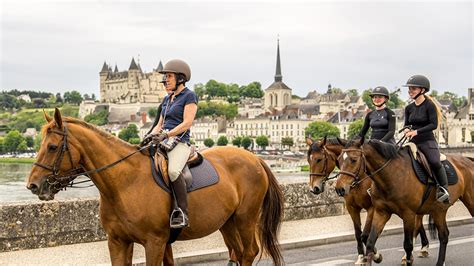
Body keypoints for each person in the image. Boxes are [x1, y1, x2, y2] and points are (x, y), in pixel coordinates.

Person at [142, 59, 198, 227]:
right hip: (163, 140)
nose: (165, 80)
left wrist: (167, 134)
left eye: (169, 76)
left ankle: (182, 213)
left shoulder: (189, 96)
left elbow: (187, 123)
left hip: (180, 142)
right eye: (165, 77)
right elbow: (159, 124)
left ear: (181, 78)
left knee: (173, 171)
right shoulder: (167, 100)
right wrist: (149, 137)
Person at [403, 74, 449, 203]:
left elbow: (433, 125)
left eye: (413, 88)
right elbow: (407, 123)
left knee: (435, 162)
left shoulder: (430, 105)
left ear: (422, 90)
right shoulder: (408, 108)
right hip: (412, 142)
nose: (410, 91)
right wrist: (407, 129)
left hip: (427, 141)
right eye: (409, 88)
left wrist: (416, 132)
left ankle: (444, 189)